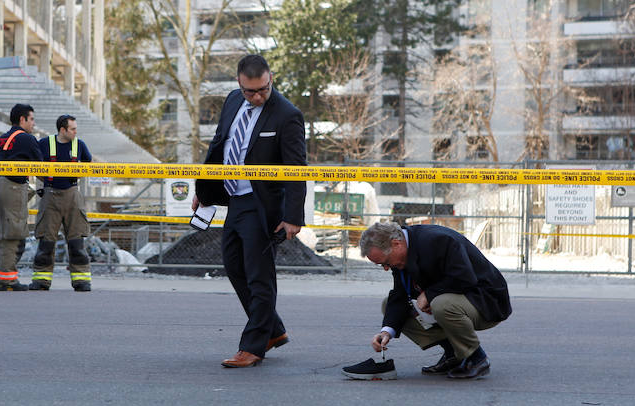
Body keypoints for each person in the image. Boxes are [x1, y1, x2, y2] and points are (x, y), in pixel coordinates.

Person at [192, 54, 307, 368]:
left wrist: (294, 217)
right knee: (234, 266)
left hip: (262, 206)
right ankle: (273, 329)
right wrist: (203, 192)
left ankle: (253, 346)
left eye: (263, 90)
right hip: (234, 200)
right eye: (250, 91)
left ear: (271, 79)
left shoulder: (287, 115)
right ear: (239, 83)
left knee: (259, 277)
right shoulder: (232, 101)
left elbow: (297, 169)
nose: (257, 96)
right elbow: (219, 147)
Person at [343, 222, 512, 380]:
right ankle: (453, 353)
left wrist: (430, 295)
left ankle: (476, 358)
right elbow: (400, 294)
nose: (387, 268)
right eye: (382, 265)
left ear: (396, 244)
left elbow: (465, 278)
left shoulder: (437, 240)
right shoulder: (401, 256)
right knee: (389, 305)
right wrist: (387, 331)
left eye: (386, 263)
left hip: (487, 301)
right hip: (457, 297)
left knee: (441, 304)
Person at [29, 114, 93, 292]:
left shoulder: (79, 145)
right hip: (50, 195)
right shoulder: (44, 144)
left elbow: (89, 164)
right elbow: (34, 165)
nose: (75, 132)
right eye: (72, 129)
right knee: (46, 242)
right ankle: (41, 280)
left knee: (76, 242)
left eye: (75, 128)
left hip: (72, 194)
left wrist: (77, 175)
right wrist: (44, 182)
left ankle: (81, 280)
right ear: (62, 130)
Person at [0, 103, 42, 291]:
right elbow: (41, 167)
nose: (33, 123)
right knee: (11, 234)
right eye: (31, 119)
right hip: (13, 187)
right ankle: (8, 279)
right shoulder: (27, 139)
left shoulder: (1, 139)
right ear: (22, 119)